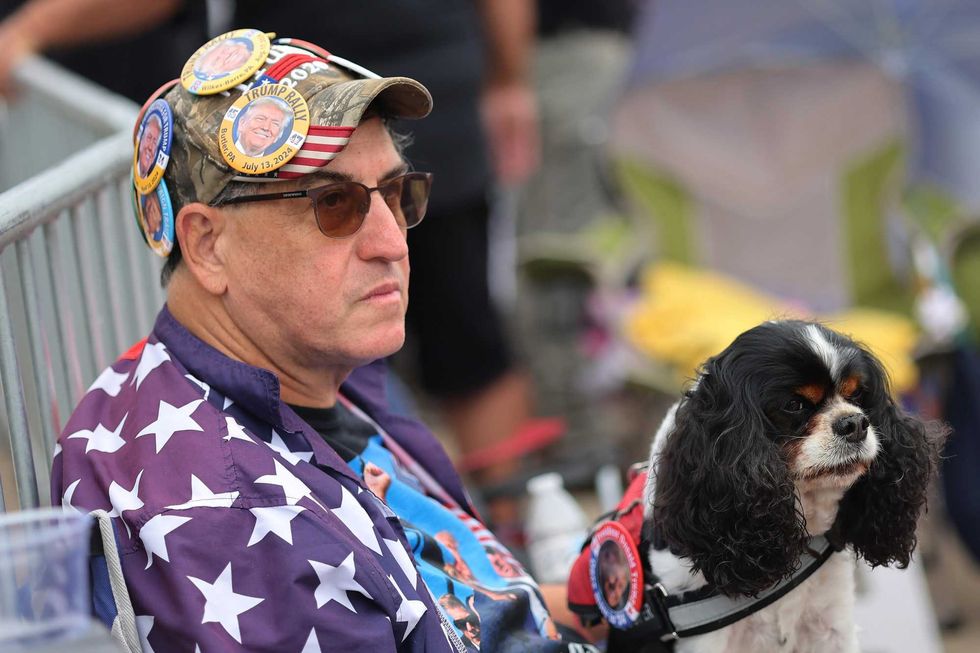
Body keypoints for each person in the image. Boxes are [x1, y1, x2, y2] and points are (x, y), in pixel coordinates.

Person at [52, 31, 598, 652]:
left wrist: (619, 588)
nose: (391, 242)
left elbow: (468, 604)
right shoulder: (235, 514)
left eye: (397, 194)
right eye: (333, 205)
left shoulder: (303, 364)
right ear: (207, 245)